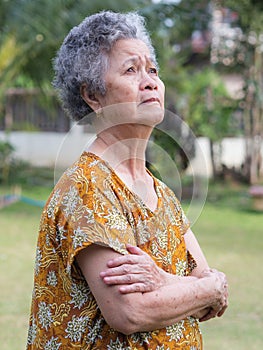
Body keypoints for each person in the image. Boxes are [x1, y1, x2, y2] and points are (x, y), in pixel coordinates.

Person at [26, 10, 228, 349]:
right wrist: (206, 289)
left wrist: (164, 280)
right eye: (131, 70)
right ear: (93, 95)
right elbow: (130, 311)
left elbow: (207, 289)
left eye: (152, 70)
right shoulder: (88, 187)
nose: (149, 81)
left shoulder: (160, 191)